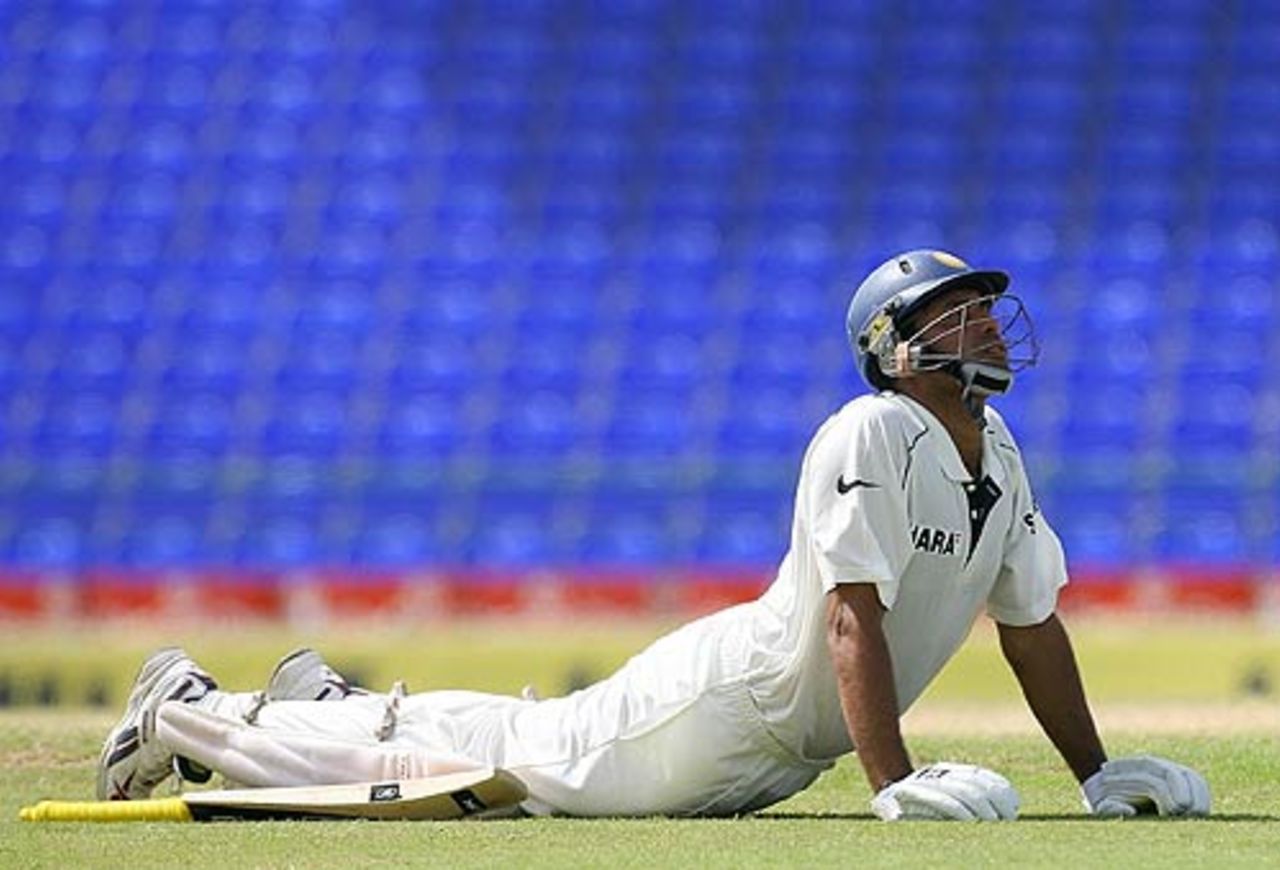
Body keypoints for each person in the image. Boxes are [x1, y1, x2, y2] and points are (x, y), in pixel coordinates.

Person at [98, 249, 1211, 820]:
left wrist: (1097, 775)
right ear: (897, 346)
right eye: (959, 309)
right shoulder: (870, 428)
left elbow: (1030, 626)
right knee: (501, 769)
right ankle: (190, 712)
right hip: (723, 706)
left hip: (778, 750)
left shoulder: (998, 450)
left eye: (983, 303)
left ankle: (323, 701)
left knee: (520, 738)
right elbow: (849, 619)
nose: (989, 322)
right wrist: (892, 784)